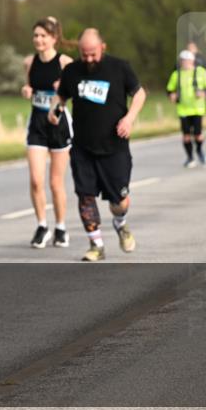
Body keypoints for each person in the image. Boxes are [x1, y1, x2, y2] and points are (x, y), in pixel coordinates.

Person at [49, 28, 146, 262]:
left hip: (114, 147)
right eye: (84, 54)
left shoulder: (119, 67)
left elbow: (139, 94)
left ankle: (120, 223)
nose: (89, 59)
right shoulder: (72, 71)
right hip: (83, 147)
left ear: (103, 47)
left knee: (119, 202)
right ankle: (96, 245)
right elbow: (61, 96)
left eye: (93, 53)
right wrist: (54, 111)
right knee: (85, 196)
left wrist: (129, 119)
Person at [20, 17, 74, 249]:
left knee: (55, 182)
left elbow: (74, 92)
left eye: (43, 36)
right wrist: (26, 90)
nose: (38, 40)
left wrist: (62, 94)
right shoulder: (29, 62)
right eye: (36, 35)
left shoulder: (65, 62)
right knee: (35, 180)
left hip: (59, 123)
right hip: (37, 124)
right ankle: (42, 226)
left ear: (54, 38)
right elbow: (29, 87)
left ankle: (61, 227)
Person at [166, 49, 206, 167]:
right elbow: (169, 89)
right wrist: (172, 95)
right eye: (182, 61)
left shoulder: (200, 72)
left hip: (198, 109)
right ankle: (190, 157)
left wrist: (204, 93)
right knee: (186, 136)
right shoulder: (176, 74)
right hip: (183, 109)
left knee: (198, 134)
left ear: (192, 61)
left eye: (187, 60)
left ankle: (199, 150)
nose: (184, 63)